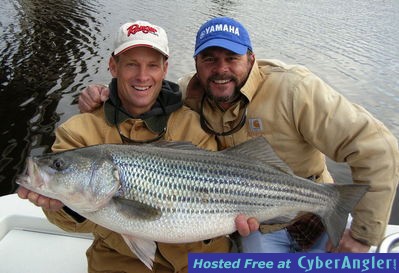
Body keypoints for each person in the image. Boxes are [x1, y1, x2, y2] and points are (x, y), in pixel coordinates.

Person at [78, 17, 399, 254]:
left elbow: (379, 149)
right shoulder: (190, 93)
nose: (221, 69)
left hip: (314, 211)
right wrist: (105, 94)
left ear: (251, 58)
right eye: (210, 59)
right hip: (254, 221)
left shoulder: (295, 90)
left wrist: (361, 236)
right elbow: (146, 93)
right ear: (197, 64)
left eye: (231, 58)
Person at [17, 20, 258, 273]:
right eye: (131, 64)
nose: (142, 76)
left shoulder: (194, 125)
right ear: (113, 66)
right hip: (119, 262)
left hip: (202, 259)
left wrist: (239, 218)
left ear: (165, 69)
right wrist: (62, 206)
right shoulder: (78, 132)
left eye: (152, 65)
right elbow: (68, 221)